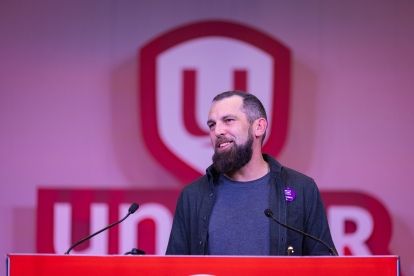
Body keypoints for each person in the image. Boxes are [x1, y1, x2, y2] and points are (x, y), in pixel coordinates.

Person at [166, 91, 336, 256]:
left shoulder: (302, 189)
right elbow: (173, 270)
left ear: (259, 127)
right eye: (212, 125)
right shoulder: (193, 196)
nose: (217, 131)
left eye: (228, 120)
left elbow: (324, 265)